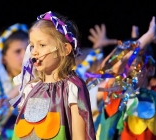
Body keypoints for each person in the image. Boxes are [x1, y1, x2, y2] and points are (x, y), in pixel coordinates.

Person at [10, 11, 96, 140]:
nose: (34, 52)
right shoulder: (30, 88)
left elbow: (79, 136)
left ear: (64, 49)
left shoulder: (72, 87)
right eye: (32, 46)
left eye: (42, 45)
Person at [85, 16, 156, 140]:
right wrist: (148, 36)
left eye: (133, 65)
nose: (125, 71)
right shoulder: (116, 95)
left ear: (150, 69)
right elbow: (114, 65)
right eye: (124, 65)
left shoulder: (155, 98)